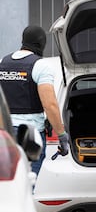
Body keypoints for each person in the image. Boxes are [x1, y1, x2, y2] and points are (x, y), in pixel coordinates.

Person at [0, 25, 69, 176]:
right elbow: (50, 105)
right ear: (41, 43)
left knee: (8, 184)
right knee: (27, 183)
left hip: (5, 135)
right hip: (29, 136)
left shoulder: (2, 63)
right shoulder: (40, 65)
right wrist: (62, 135)